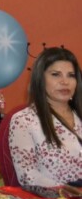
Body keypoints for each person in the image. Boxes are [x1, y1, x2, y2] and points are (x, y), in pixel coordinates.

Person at [8, 47, 82, 187]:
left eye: (71, 75)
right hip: (53, 198)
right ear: (40, 79)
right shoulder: (24, 120)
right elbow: (27, 175)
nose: (65, 81)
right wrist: (69, 192)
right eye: (56, 74)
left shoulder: (79, 115)